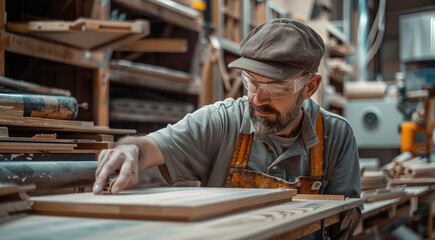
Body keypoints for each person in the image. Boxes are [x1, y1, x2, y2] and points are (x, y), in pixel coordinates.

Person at [93, 18, 361, 200]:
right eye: (251, 83)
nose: (257, 100)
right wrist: (131, 149)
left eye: (277, 87)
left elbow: (345, 218)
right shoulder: (221, 122)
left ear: (310, 87)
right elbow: (149, 148)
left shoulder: (335, 136)